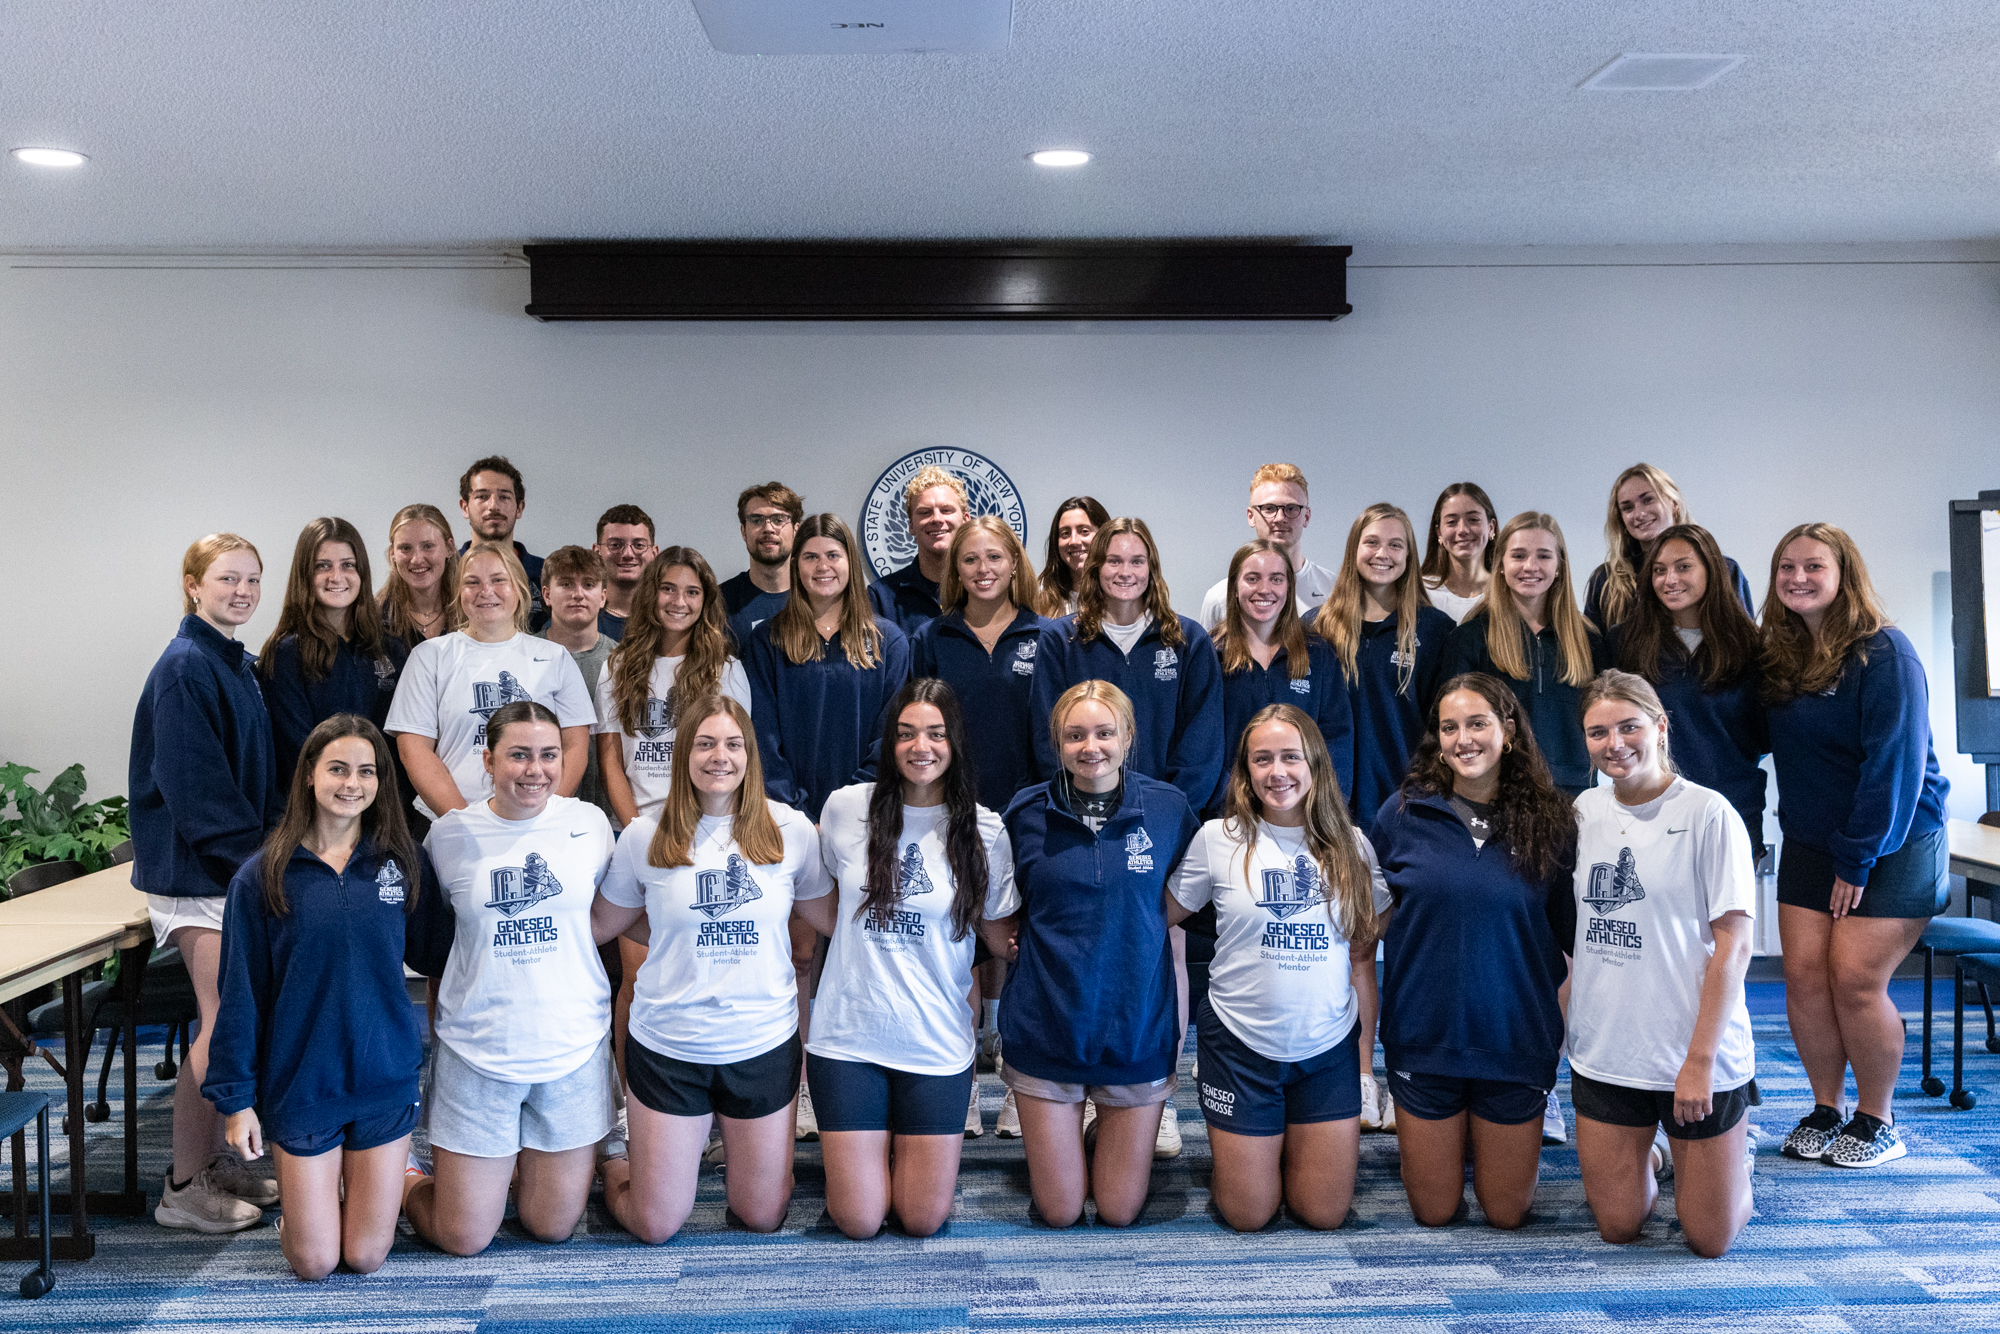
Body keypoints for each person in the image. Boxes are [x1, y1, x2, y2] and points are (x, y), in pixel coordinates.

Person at [205, 716, 441, 1280]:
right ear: (310, 775)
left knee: (364, 1257)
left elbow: (441, 952)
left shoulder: (402, 861)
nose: (352, 783)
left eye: (366, 771)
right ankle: (309, 1207)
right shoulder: (262, 876)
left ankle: (388, 1181)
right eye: (338, 769)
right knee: (314, 1262)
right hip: (303, 1082)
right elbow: (239, 995)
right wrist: (237, 1101)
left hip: (384, 1077)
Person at [590, 696, 830, 1243]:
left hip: (761, 1043)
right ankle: (613, 1164)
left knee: (762, 1215)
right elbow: (603, 923)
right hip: (669, 1047)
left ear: (749, 755)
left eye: (732, 744)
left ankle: (753, 1168)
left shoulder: (790, 830)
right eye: (704, 743)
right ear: (683, 753)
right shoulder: (644, 835)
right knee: (655, 1224)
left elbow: (833, 917)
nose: (719, 756)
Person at [1028, 518, 1223, 1157]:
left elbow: (1203, 742)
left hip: (1158, 823)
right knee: (1084, 948)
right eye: (1113, 560)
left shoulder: (1186, 640)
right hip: (1079, 814)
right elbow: (1048, 732)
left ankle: (1156, 1092)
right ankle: (1070, 1085)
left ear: (1152, 568)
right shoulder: (1061, 638)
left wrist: (1164, 814)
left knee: (1165, 946)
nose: (1125, 572)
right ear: (1094, 568)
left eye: (1137, 561)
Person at [800, 681, 1021, 1237]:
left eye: (935, 734)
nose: (920, 747)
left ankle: (896, 1149)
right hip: (849, 1038)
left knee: (922, 1219)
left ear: (955, 742)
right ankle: (874, 1156)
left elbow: (1001, 935)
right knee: (859, 1220)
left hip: (935, 1041)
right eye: (906, 734)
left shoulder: (985, 830)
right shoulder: (846, 808)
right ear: (890, 742)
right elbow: (823, 903)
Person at [401, 702, 619, 1254]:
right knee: (464, 1237)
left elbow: (603, 919)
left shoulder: (590, 824)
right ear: (488, 760)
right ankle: (403, 1176)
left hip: (571, 1050)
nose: (535, 770)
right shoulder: (449, 836)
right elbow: (440, 946)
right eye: (519, 755)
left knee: (550, 1225)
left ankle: (525, 1165)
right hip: (478, 1053)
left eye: (548, 755)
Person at [1764, 523, 1949, 1169]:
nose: (1798, 578)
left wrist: (1858, 857)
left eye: (1813, 566)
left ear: (1845, 574)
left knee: (1854, 978)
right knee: (1803, 976)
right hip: (1812, 840)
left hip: (1893, 840)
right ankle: (1826, 1107)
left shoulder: (1884, 653)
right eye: (1786, 567)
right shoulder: (1782, 657)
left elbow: (1893, 767)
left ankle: (1878, 1118)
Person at [1166, 704, 1387, 1231]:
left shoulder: (1353, 846)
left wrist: (1364, 1068)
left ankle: (1286, 1138)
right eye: (1261, 759)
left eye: (1290, 757)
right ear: (1245, 770)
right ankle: (1263, 1142)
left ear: (1315, 764)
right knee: (1248, 1214)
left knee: (1324, 1213)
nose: (1276, 772)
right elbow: (1157, 918)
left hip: (1326, 1048)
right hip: (1238, 1046)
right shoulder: (1217, 838)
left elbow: (1369, 941)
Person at [1371, 673, 1575, 1229]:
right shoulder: (1402, 814)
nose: (1463, 739)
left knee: (1507, 1213)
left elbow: (1572, 940)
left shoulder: (1554, 820)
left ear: (1508, 731)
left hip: (1515, 1041)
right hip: (1425, 1039)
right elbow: (1374, 918)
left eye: (1477, 723)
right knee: (1434, 1212)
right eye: (1449, 727)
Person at [1568, 671, 1756, 1258]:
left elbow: (1735, 946)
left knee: (1709, 1239)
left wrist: (1699, 1062)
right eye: (1598, 732)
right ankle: (1657, 1152)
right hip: (1610, 1052)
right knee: (1618, 1226)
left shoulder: (1708, 813)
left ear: (1660, 727)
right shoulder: (1585, 810)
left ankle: (1735, 1160)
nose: (1614, 744)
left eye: (1629, 727)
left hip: (1692, 1052)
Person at [1000, 681, 1201, 1227]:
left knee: (1118, 1209)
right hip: (1047, 1026)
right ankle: (1074, 1133)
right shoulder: (1024, 812)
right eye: (1075, 735)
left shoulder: (1169, 809)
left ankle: (1100, 1131)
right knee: (1061, 1211)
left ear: (1128, 737)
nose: (1091, 747)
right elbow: (998, 905)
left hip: (1134, 1029)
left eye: (1105, 733)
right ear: (1057, 743)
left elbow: (1182, 902)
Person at [133, 533, 283, 1234]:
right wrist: (260, 872)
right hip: (200, 877)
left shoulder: (234, 662)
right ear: (193, 584)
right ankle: (183, 1187)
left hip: (227, 874)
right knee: (221, 1024)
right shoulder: (185, 668)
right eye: (227, 579)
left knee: (222, 1024)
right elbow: (197, 795)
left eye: (252, 579)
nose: (242, 591)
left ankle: (212, 1163)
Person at [744, 513, 911, 1138]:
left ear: (851, 564)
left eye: (833, 556)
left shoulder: (888, 640)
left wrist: (848, 807)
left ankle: (857, 1077)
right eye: (810, 556)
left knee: (867, 949)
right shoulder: (766, 640)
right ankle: (801, 1086)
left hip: (869, 817)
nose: (822, 567)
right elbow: (760, 735)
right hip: (790, 821)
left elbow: (894, 731)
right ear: (796, 566)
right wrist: (796, 813)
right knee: (799, 953)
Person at [908, 518, 1050, 1098]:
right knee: (958, 946)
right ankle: (960, 1082)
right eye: (970, 560)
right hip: (954, 812)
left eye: (994, 557)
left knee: (1023, 947)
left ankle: (1022, 1085)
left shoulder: (1048, 635)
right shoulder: (932, 638)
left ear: (1015, 563)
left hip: (1031, 813)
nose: (983, 569)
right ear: (955, 569)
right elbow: (915, 727)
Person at [384, 543, 595, 824]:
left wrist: (542, 816)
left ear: (519, 589)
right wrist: (465, 822)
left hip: (536, 824)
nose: (486, 591)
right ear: (459, 592)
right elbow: (414, 750)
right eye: (472, 582)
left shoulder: (555, 657)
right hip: (448, 821)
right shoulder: (430, 656)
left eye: (498, 580)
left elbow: (575, 747)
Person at [1611, 523, 1769, 861]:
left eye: (1683, 567)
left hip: (1731, 810)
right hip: (1648, 813)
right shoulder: (1625, 642)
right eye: (1659, 570)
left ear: (1712, 570)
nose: (1670, 579)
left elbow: (1766, 734)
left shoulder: (1751, 646)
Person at [1315, 503, 1457, 834]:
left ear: (1409, 556)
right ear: (1354, 549)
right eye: (1372, 542)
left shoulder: (1435, 631)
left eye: (1395, 545)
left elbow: (1444, 727)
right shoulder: (1318, 628)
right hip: (1327, 809)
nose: (1383, 554)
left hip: (1408, 807)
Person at [1442, 513, 1606, 797]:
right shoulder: (1468, 639)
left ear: (1559, 567)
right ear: (1501, 565)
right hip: (1496, 791)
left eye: (1543, 556)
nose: (1530, 566)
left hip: (1575, 792)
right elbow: (1450, 726)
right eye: (1518, 556)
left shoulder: (1589, 641)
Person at [260, 517, 409, 788]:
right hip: (321, 804)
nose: (336, 577)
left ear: (362, 572)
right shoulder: (285, 654)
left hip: (386, 800)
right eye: (323, 566)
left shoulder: (391, 648)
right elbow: (298, 754)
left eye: (348, 565)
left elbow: (405, 742)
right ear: (305, 574)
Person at [1213, 540, 1354, 813]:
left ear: (1289, 587)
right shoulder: (1212, 655)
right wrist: (1228, 803)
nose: (1264, 589)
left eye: (1276, 579)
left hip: (1305, 812)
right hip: (1232, 811)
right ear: (1234, 587)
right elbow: (1205, 745)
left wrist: (1323, 808)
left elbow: (1336, 739)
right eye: (1252, 578)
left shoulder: (1318, 654)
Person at [1583, 463, 1754, 631]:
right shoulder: (1605, 580)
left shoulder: (1724, 570)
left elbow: (1745, 640)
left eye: (1648, 500)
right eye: (1627, 508)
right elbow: (1590, 648)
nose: (1639, 514)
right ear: (1620, 519)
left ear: (1674, 504)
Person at [1198, 464, 1337, 630]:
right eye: (1269, 508)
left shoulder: (1334, 591)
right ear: (1251, 516)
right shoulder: (1219, 598)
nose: (1280, 518)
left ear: (1306, 517)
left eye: (1291, 508)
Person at [537, 545, 616, 820]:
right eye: (566, 584)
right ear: (547, 594)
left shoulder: (625, 663)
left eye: (589, 584)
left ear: (603, 596)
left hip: (608, 813)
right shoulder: (522, 657)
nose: (578, 594)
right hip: (537, 808)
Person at [868, 465, 970, 636]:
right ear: (911, 526)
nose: (937, 519)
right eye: (924, 512)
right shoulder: (881, 598)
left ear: (966, 520)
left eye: (946, 510)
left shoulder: (985, 589)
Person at [456, 455, 546, 628]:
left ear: (519, 508)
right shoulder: (446, 572)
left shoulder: (546, 574)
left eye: (504, 497)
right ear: (465, 507)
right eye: (482, 496)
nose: (493, 506)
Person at [722, 482, 804, 647]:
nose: (768, 528)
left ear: (796, 530)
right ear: (743, 531)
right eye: (756, 520)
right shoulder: (719, 602)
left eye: (778, 520)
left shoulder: (816, 596)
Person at [378, 503, 460, 648]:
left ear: (449, 548)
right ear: (392, 554)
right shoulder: (374, 617)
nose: (417, 559)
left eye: (428, 546)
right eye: (405, 548)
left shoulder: (471, 612)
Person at [1419, 483, 1497, 624]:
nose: (1462, 530)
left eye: (1473, 520)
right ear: (1439, 533)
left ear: (1491, 528)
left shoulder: (1508, 592)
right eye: (1451, 522)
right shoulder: (1420, 592)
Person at [1034, 495, 1109, 618]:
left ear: (1104, 536)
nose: (1073, 541)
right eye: (1065, 533)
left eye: (1084, 531)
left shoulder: (1120, 599)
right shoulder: (1040, 604)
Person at [592, 503, 658, 642]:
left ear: (654, 553)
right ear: (597, 552)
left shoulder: (669, 618)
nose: (628, 554)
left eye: (639, 545)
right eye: (616, 545)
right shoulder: (578, 618)